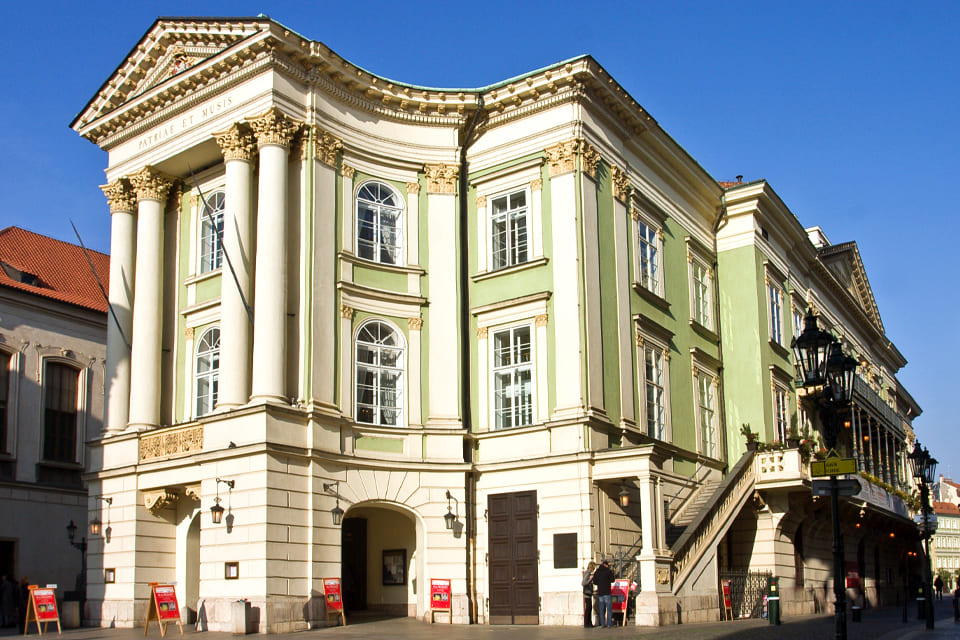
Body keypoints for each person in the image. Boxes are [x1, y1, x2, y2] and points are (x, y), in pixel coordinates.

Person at [592, 559, 615, 628]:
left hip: (600, 592)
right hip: (607, 592)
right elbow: (612, 580)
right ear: (606, 565)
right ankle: (609, 623)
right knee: (609, 609)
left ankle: (602, 624)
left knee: (601, 609)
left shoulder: (597, 572)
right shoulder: (608, 571)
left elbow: (595, 581)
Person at [582, 561, 597, 628]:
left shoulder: (588, 572)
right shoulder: (587, 572)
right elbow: (583, 583)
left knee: (589, 608)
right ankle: (587, 623)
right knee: (588, 608)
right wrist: (590, 579)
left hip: (588, 592)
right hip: (587, 592)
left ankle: (589, 623)